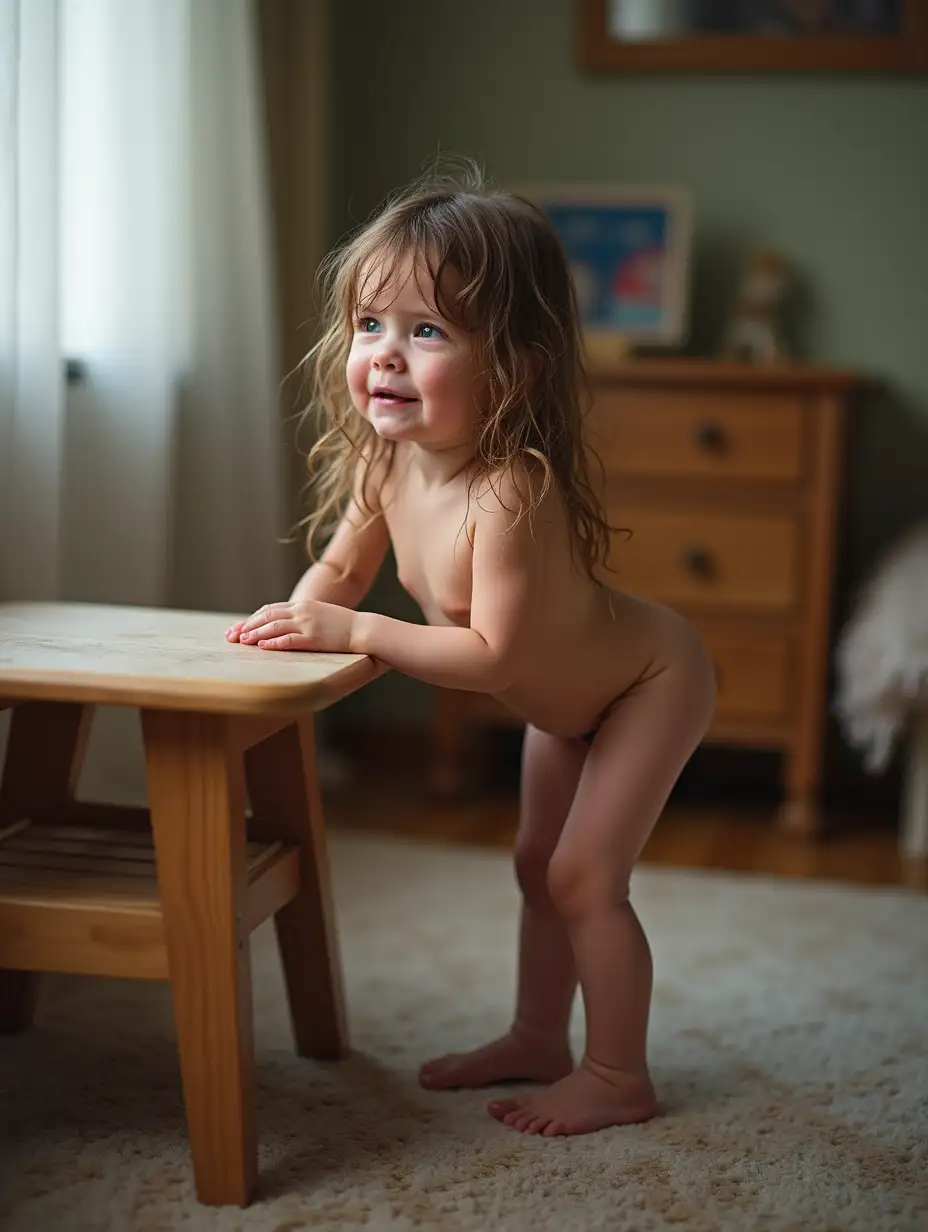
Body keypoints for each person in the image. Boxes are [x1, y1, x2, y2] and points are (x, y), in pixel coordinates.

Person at [226, 161, 716, 1137]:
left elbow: (490, 656)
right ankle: (539, 1035)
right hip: (563, 705)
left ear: (516, 365)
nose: (386, 355)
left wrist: (359, 632)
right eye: (370, 325)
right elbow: (336, 573)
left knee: (583, 876)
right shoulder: (387, 462)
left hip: (647, 683)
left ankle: (618, 1071)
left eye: (426, 331)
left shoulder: (509, 492)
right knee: (537, 865)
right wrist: (286, 624)